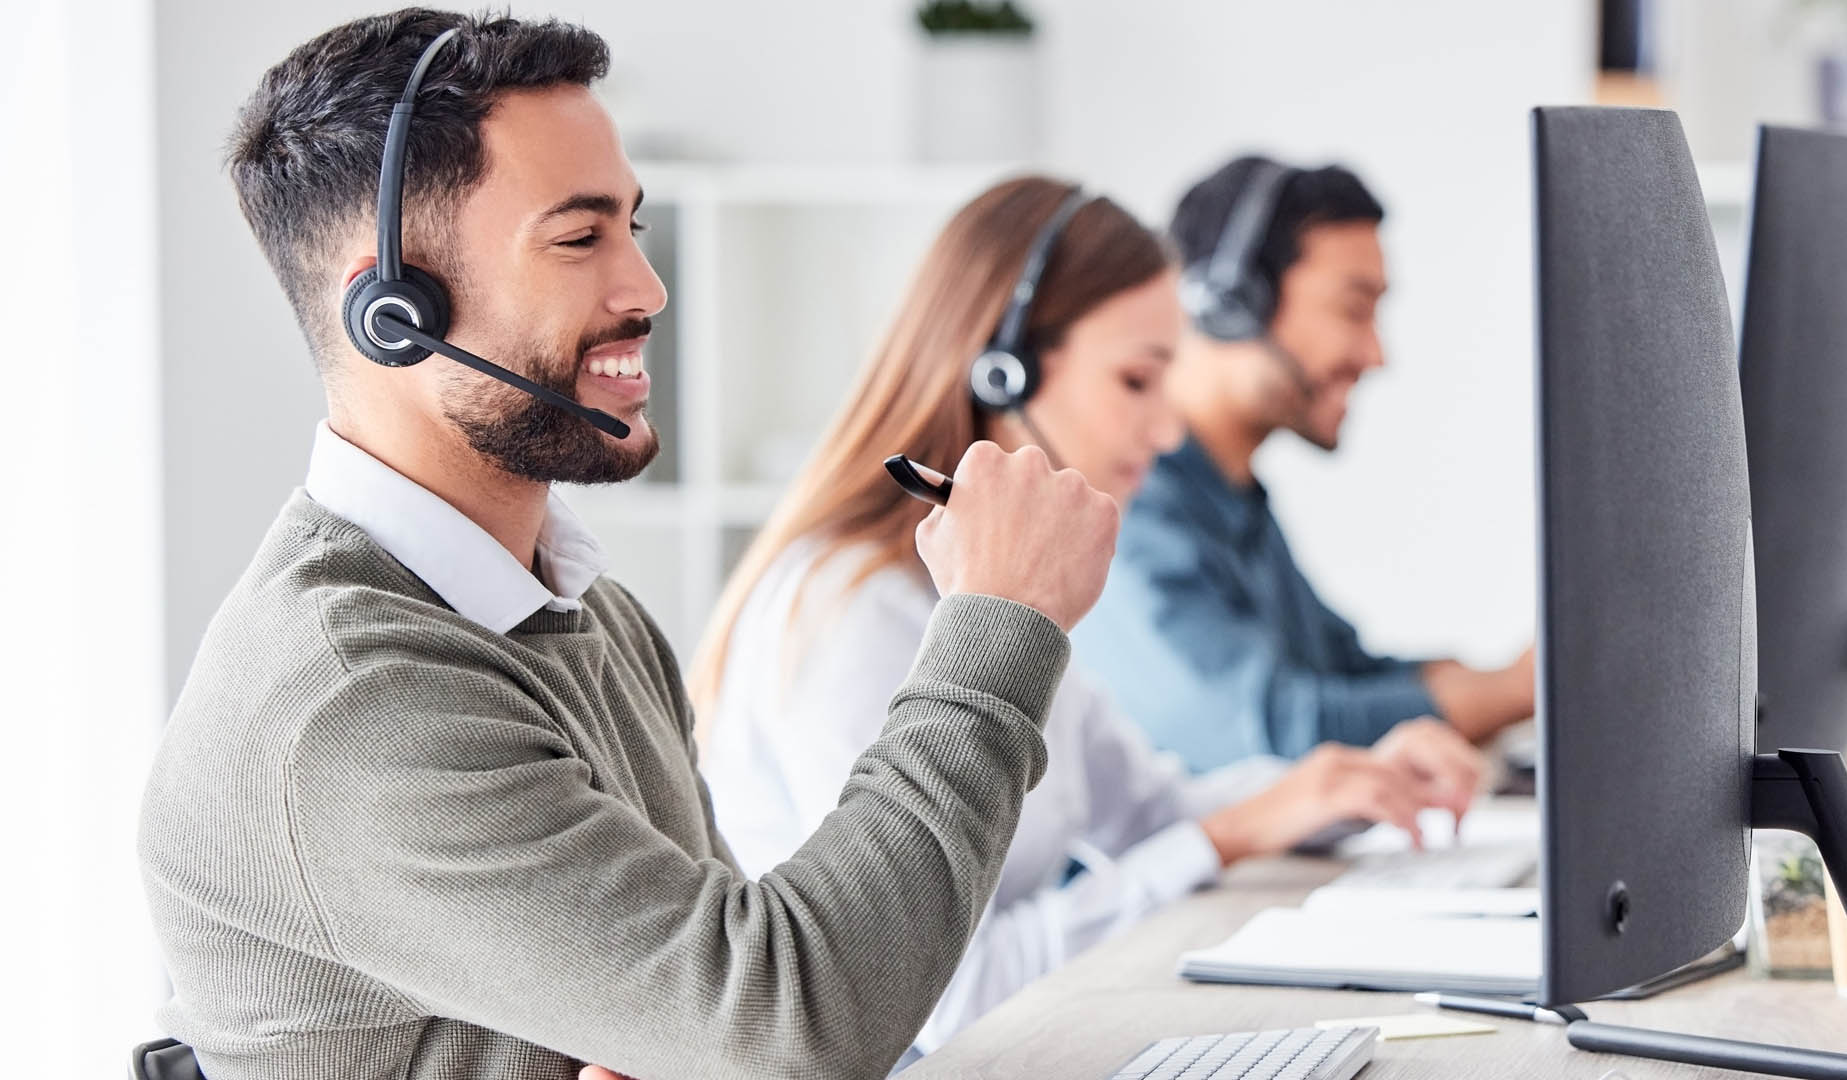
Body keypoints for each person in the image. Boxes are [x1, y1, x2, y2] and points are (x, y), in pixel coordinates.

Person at [135, 11, 1124, 1079]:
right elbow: (795, 1023)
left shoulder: (583, 611)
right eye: (579, 238)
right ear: (392, 309)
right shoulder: (354, 699)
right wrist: (998, 622)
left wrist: (733, 1032)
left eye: (633, 227)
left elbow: (738, 1021)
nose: (648, 290)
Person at [686, 176, 1484, 1061]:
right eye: (1137, 379)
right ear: (1003, 371)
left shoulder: (1008, 588)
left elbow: (1148, 810)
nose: (1169, 432)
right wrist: (1222, 838)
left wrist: (1338, 788)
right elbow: (945, 999)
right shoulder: (853, 610)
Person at [1074, 155, 1535, 772]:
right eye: (1353, 309)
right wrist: (1517, 690)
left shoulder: (1233, 501)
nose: (1375, 354)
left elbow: (1343, 670)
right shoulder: (1132, 506)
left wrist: (1495, 678)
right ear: (1233, 300)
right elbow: (1274, 731)